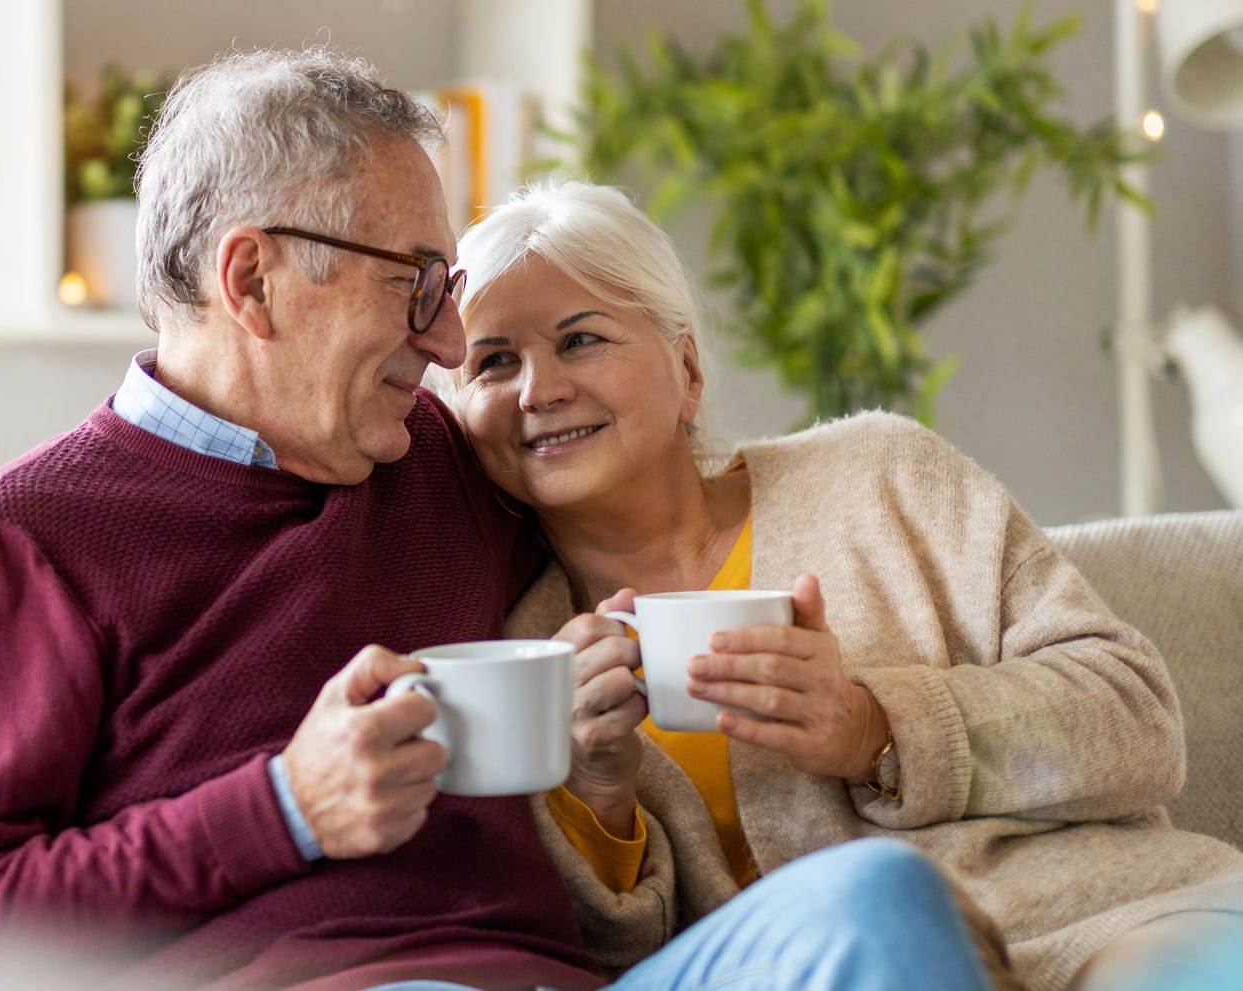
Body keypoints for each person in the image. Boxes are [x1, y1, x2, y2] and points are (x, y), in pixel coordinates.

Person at [0, 50, 997, 991]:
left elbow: (637, 472)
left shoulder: (444, 466)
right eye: (415, 283)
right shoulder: (24, 540)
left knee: (877, 902)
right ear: (253, 281)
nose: (452, 344)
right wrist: (281, 809)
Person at [443, 177, 1243, 991]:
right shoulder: (520, 655)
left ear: (686, 368)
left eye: (580, 340)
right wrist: (597, 789)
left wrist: (875, 727)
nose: (537, 390)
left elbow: (1135, 714)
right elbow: (617, 961)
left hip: (1104, 922)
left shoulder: (880, 474)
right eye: (494, 361)